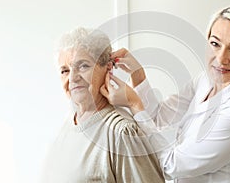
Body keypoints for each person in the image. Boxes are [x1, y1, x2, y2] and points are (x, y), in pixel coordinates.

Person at [100, 5, 230, 182]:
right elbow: (159, 117)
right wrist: (137, 75)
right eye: (215, 44)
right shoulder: (206, 80)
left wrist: (134, 104)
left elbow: (170, 165)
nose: (221, 58)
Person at [40, 27, 165, 183]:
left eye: (83, 66)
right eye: (65, 70)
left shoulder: (121, 133)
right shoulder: (69, 122)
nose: (72, 78)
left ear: (108, 67)